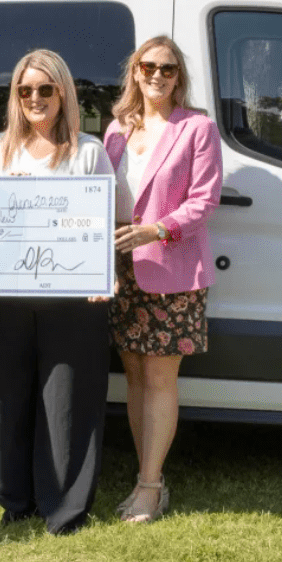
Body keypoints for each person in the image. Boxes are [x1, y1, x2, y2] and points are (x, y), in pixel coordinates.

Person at [0, 49, 114, 535]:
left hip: (72, 303)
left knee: (67, 406)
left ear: (63, 93)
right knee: (7, 401)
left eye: (45, 89)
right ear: (15, 97)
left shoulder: (88, 151)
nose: (35, 98)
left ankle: (65, 507)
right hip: (7, 300)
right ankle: (15, 501)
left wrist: (103, 275)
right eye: (24, 90)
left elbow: (102, 225)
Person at [103, 36, 222, 523]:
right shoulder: (116, 130)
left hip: (171, 272)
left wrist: (158, 228)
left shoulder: (197, 127)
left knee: (158, 380)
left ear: (178, 77)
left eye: (167, 69)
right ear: (134, 72)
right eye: (148, 66)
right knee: (133, 378)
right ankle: (147, 475)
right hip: (121, 271)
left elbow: (205, 200)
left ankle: (150, 487)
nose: (157, 75)